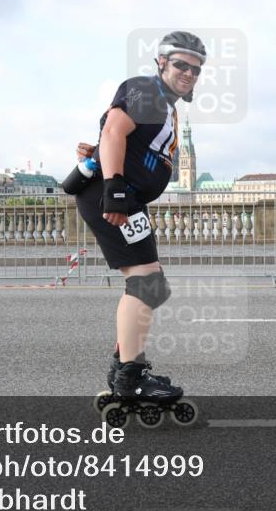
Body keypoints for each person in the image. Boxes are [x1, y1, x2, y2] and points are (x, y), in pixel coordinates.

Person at [67, 31, 207, 410]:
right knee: (145, 282)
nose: (189, 74)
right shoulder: (147, 91)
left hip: (128, 197)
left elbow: (123, 139)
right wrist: (113, 187)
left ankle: (126, 367)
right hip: (113, 195)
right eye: (181, 65)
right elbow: (114, 129)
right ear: (161, 63)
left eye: (196, 69)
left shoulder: (165, 105)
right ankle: (130, 378)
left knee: (153, 286)